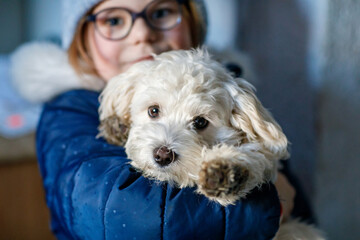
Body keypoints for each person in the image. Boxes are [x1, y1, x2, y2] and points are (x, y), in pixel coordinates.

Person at [11, 0, 311, 239]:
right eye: (114, 20)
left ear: (193, 23)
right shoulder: (68, 112)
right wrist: (269, 201)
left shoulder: (227, 91)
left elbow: (301, 205)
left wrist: (261, 170)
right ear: (81, 39)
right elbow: (122, 219)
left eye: (163, 12)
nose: (142, 34)